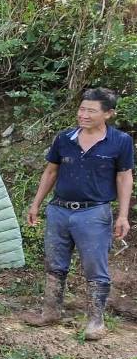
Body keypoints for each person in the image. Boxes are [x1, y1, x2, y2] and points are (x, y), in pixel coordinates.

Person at [24, 88, 133, 339]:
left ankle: (96, 321)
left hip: (94, 213)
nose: (83, 114)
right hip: (59, 210)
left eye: (91, 111)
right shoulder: (65, 138)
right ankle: (50, 312)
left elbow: (124, 177)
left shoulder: (120, 141)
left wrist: (123, 215)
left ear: (108, 114)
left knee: (95, 267)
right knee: (54, 264)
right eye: (82, 109)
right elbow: (51, 172)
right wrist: (36, 204)